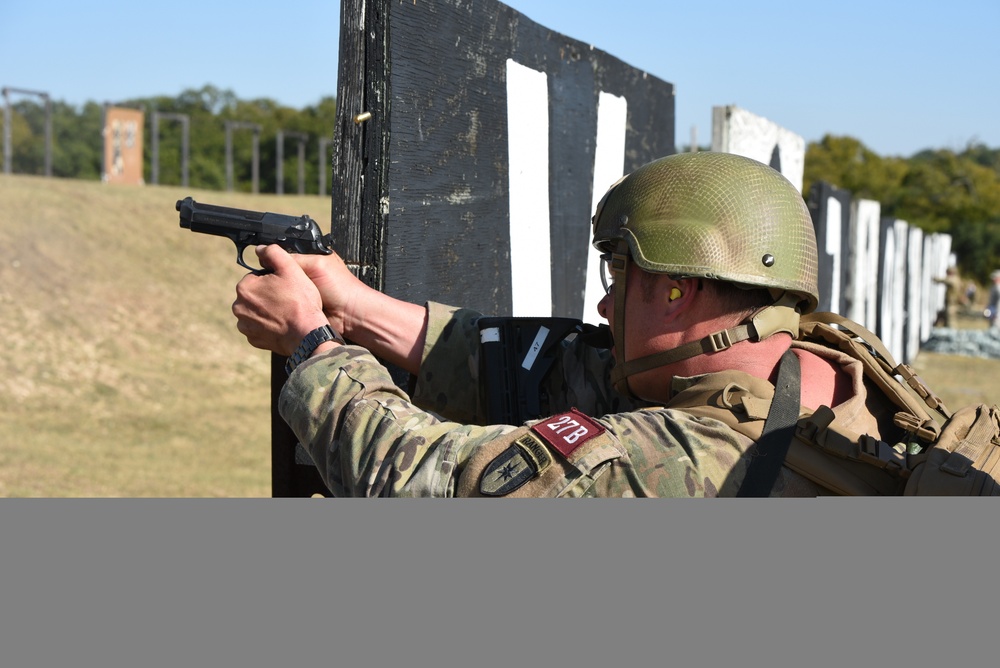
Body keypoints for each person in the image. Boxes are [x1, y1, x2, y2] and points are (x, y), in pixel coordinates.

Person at [232, 152, 901, 497]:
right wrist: (353, 306)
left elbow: (425, 483)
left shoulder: (665, 463)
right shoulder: (838, 369)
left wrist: (312, 346)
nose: (607, 308)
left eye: (621, 276)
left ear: (676, 288)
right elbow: (572, 370)